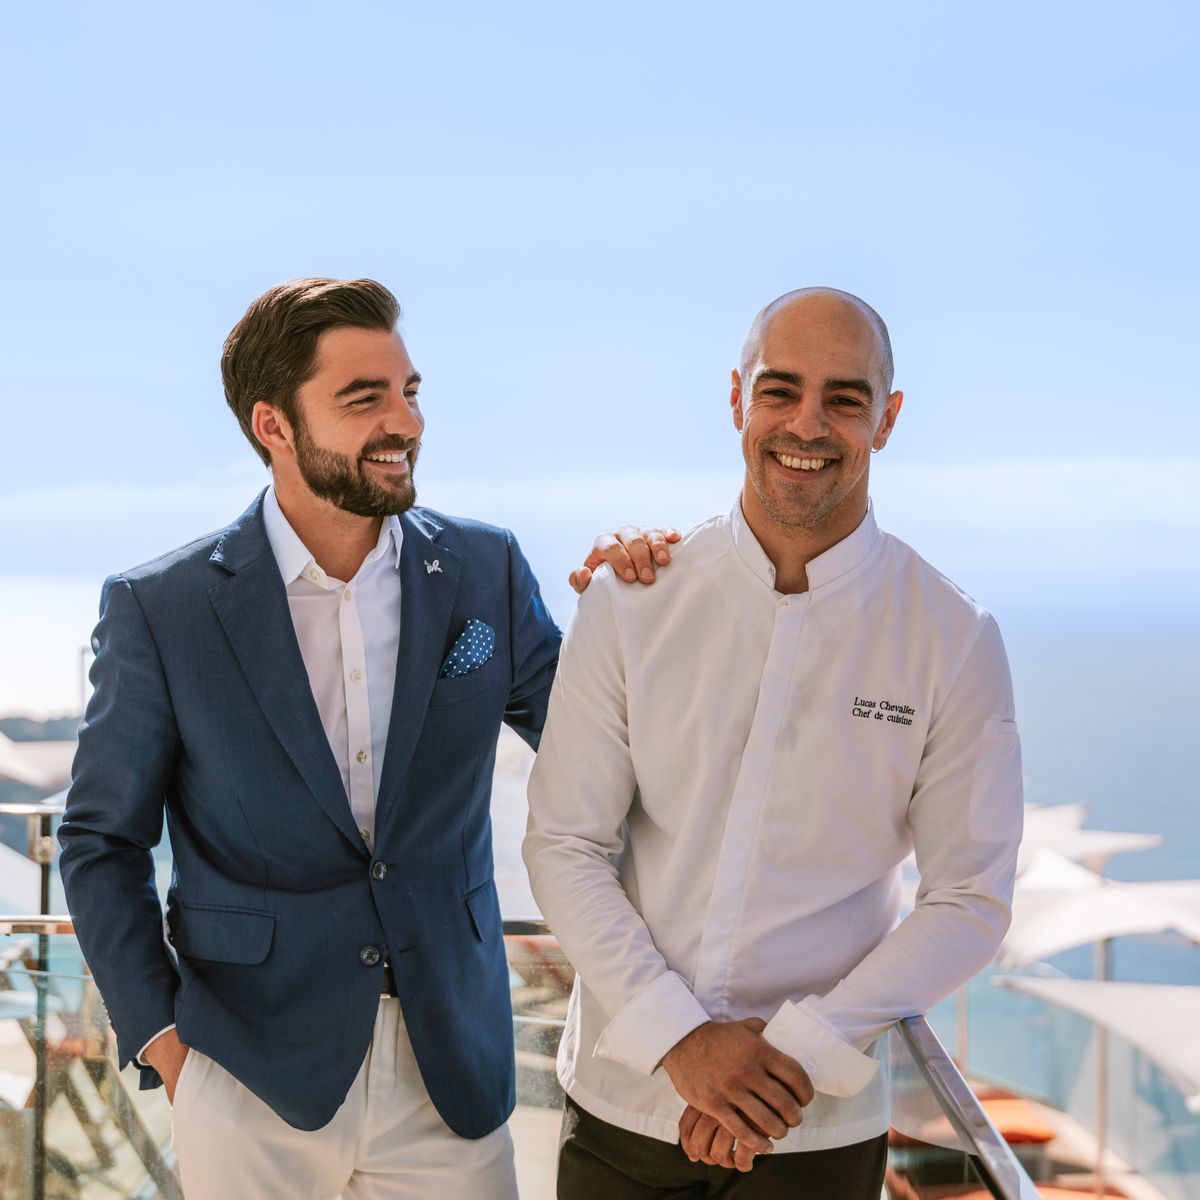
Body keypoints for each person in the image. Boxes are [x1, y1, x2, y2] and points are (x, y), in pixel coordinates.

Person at [58, 277, 674, 1200]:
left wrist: (647, 609)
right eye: (365, 398)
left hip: (449, 1067)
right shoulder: (164, 608)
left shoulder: (484, 570)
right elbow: (101, 840)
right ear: (273, 424)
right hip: (247, 1069)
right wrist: (165, 1041)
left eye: (410, 391)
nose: (406, 422)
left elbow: (612, 750)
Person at [524, 287, 1025, 1198]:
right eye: (779, 390)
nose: (808, 423)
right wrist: (678, 1038)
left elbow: (971, 898)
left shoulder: (952, 635)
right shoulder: (631, 600)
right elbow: (564, 842)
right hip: (622, 1105)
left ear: (889, 418)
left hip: (818, 1131)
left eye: (845, 397)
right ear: (735, 399)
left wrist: (796, 1053)